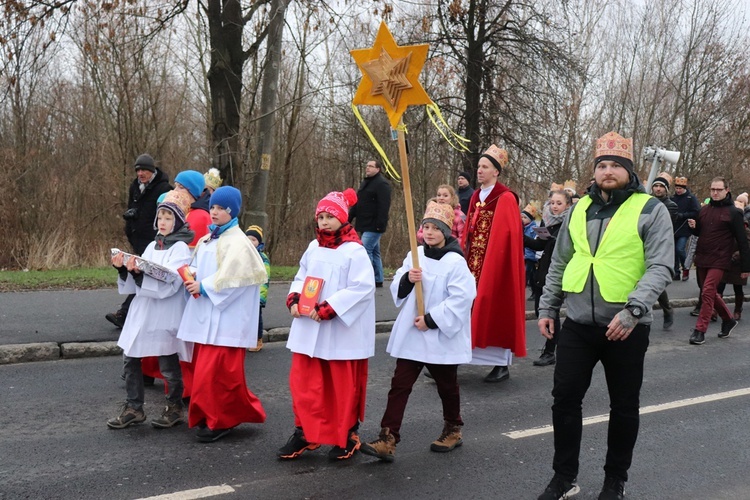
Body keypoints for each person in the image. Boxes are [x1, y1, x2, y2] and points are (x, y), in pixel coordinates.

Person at [536, 131, 673, 500]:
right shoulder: (580, 208)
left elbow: (661, 266)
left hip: (626, 327)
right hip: (578, 324)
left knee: (624, 406)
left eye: (615, 165)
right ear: (594, 172)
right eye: (602, 165)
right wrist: (548, 306)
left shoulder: (650, 209)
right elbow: (560, 260)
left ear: (629, 171)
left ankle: (616, 479)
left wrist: (633, 311)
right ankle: (564, 477)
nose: (607, 171)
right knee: (564, 399)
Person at [360, 201, 476, 462]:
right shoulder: (416, 255)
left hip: (439, 335)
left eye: (436, 228)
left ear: (446, 232)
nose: (430, 232)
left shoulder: (455, 262)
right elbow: (399, 286)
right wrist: (406, 280)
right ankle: (388, 438)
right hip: (414, 333)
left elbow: (463, 298)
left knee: (447, 386)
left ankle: (453, 429)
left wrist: (432, 320)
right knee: (399, 385)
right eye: (426, 227)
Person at [278, 189, 376, 461]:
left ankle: (346, 435)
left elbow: (362, 288)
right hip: (309, 328)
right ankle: (305, 432)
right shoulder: (313, 246)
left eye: (329, 216)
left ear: (342, 219)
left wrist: (331, 308)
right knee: (305, 385)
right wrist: (294, 299)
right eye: (320, 216)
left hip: (338, 333)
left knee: (339, 387)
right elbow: (301, 275)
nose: (323, 222)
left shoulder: (354, 251)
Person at [176, 186, 268, 443]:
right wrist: (191, 275)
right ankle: (215, 415)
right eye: (212, 207)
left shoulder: (239, 243)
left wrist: (204, 286)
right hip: (208, 318)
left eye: (220, 209)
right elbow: (201, 268)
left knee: (219, 376)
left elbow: (236, 279)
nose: (214, 212)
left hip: (227, 323)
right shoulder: (208, 239)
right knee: (208, 375)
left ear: (232, 212)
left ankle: (221, 419)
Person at [106, 190, 194, 430]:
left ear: (177, 221)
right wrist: (125, 269)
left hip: (165, 311)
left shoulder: (181, 249)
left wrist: (140, 273)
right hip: (143, 309)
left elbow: (173, 282)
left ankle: (174, 406)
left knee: (167, 362)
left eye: (168, 218)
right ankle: (134, 407)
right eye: (160, 217)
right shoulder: (151, 246)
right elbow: (137, 277)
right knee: (130, 357)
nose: (162, 222)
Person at [462, 145, 526, 383]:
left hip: (495, 265)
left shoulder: (505, 197)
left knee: (494, 309)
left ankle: (500, 364)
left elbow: (507, 236)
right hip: (472, 263)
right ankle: (458, 356)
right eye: (479, 166)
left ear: (496, 172)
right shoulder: (476, 197)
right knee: (467, 306)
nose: (479, 170)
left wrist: (494, 263)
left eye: (485, 167)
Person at [106, 154, 171, 328]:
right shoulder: (135, 186)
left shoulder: (164, 188)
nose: (140, 173)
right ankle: (134, 313)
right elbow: (132, 207)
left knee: (141, 274)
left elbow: (165, 215)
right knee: (138, 273)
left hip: (153, 240)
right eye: (138, 170)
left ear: (152, 171)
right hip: (137, 237)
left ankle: (124, 314)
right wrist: (130, 219)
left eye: (144, 170)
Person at [687, 177, 750, 345]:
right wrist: (694, 226)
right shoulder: (704, 210)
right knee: (710, 293)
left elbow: (743, 241)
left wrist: (746, 266)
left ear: (726, 190)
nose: (715, 192)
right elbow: (700, 232)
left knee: (707, 291)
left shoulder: (734, 212)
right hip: (702, 257)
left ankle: (700, 330)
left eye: (718, 190)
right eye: (712, 189)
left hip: (720, 259)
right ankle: (728, 320)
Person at [522, 189, 572, 366]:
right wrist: (521, 235)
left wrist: (553, 240)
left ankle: (551, 350)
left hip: (560, 270)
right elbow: (538, 245)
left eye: (559, 203)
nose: (555, 207)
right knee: (539, 310)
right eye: (552, 203)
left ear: (568, 205)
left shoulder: (570, 221)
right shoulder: (547, 220)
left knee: (552, 311)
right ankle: (553, 345)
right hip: (543, 269)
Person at [348, 159, 392, 288]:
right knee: (375, 252)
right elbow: (357, 202)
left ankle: (367, 279)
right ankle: (378, 279)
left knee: (364, 250)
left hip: (375, 225)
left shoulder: (382, 184)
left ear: (378, 169)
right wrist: (348, 219)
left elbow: (384, 206)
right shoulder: (365, 183)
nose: (368, 168)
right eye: (367, 166)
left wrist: (380, 225)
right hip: (364, 222)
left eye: (371, 166)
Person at [650, 172, 679, 329]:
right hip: (642, 245)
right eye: (656, 186)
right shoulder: (645, 202)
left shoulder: (671, 206)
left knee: (657, 282)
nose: (658, 189)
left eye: (661, 186)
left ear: (666, 189)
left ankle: (667, 310)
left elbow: (665, 228)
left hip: (660, 246)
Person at [670, 176, 701, 281]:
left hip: (685, 228)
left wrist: (683, 215)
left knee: (680, 248)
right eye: (677, 188)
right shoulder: (672, 198)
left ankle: (685, 266)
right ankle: (676, 272)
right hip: (674, 228)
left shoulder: (691, 198)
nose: (678, 190)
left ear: (684, 188)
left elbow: (696, 212)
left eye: (680, 188)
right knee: (673, 251)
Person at [245, 225, 270, 352]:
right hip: (244, 293)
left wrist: (261, 296)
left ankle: (257, 339)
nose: (250, 242)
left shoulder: (262, 258)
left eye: (253, 240)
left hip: (257, 293)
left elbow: (265, 278)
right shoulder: (241, 256)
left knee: (256, 318)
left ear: (259, 242)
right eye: (248, 239)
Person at [174, 170, 212, 247]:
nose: (175, 190)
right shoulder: (182, 210)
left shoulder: (201, 216)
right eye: (175, 186)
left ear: (193, 191)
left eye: (181, 187)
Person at [521, 203, 540, 297]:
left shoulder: (534, 229)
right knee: (530, 276)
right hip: (523, 255)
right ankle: (533, 292)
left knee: (526, 275)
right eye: (521, 217)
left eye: (524, 217)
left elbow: (535, 242)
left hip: (530, 256)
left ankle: (530, 292)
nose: (522, 219)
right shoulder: (521, 227)